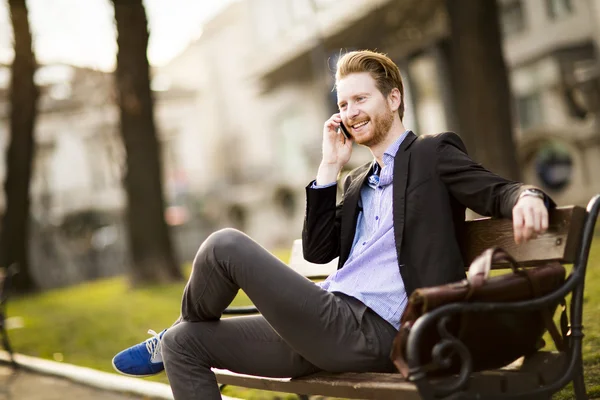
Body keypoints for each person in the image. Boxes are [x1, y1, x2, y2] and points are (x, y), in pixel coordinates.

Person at [112, 50, 551, 400]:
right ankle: (174, 332)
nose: (351, 111)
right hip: (327, 322)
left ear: (394, 98)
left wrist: (527, 197)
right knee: (185, 344)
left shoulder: (431, 155)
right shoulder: (359, 180)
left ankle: (175, 324)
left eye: (361, 99)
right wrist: (329, 167)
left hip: (382, 329)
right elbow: (319, 250)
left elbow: (495, 190)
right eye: (343, 103)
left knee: (224, 245)